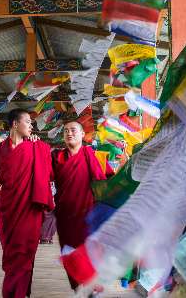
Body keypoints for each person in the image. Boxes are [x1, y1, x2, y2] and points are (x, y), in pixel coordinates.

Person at [0, 108, 53, 298]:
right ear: (15, 124)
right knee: (12, 254)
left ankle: (15, 294)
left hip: (30, 209)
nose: (31, 126)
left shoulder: (36, 147)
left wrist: (39, 147)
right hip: (7, 208)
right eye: (28, 122)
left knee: (25, 253)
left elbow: (47, 172)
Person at [52, 121, 113, 290]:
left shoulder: (94, 156)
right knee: (70, 254)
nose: (69, 133)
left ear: (82, 135)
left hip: (89, 216)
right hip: (66, 217)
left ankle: (93, 288)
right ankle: (77, 288)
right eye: (65, 131)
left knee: (91, 255)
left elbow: (109, 182)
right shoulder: (56, 157)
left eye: (73, 130)